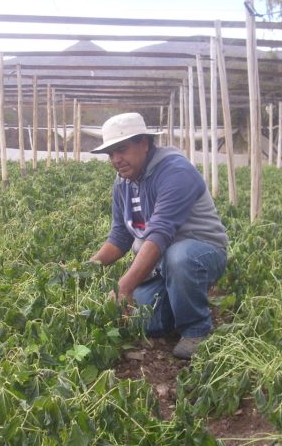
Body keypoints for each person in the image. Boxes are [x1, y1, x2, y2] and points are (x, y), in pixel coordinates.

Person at [89, 112, 228, 360]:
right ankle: (179, 303)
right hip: (159, 265)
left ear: (144, 143)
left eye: (121, 149)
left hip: (201, 253)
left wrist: (124, 286)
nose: (116, 159)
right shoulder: (123, 182)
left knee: (179, 257)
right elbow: (120, 236)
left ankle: (197, 329)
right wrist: (86, 268)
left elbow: (160, 234)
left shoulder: (175, 171)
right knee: (142, 323)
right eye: (111, 154)